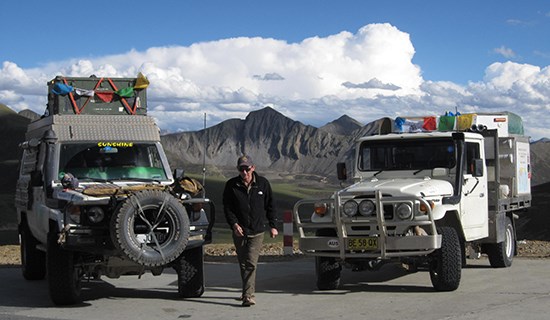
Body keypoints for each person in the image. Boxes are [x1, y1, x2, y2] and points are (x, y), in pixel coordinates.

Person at [223, 155, 278, 307]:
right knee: (243, 263)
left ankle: (248, 296)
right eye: (241, 169)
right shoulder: (231, 185)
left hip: (257, 231)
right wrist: (234, 224)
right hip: (239, 231)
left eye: (247, 169)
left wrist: (273, 226)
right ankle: (245, 291)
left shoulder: (262, 184)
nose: (244, 172)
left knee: (251, 263)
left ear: (253, 168)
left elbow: (271, 206)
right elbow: (227, 208)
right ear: (238, 170)